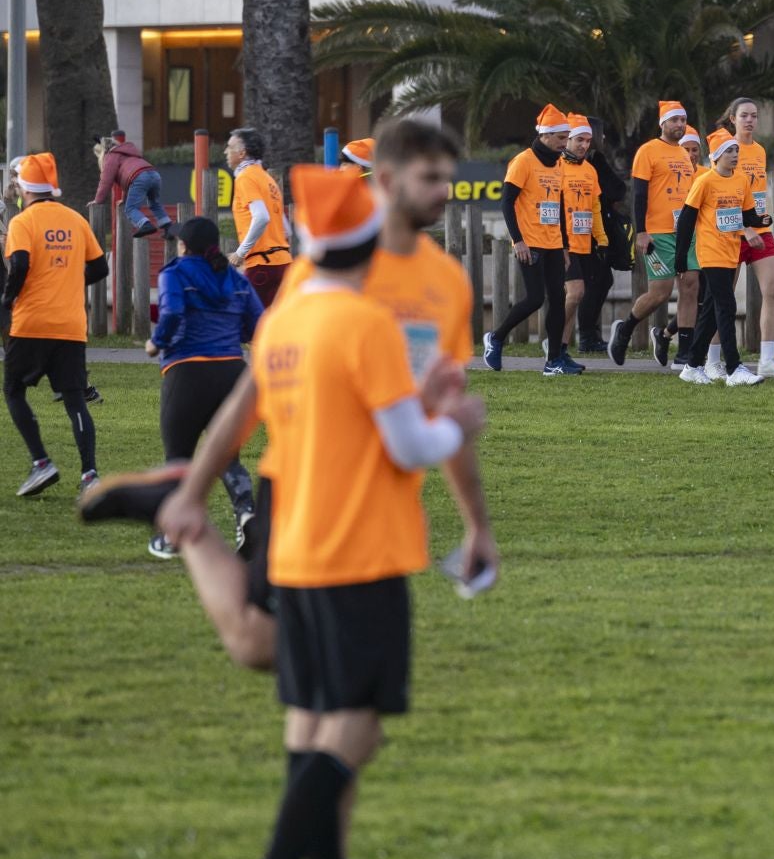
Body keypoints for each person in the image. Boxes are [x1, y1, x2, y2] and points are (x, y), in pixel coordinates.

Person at [90, 163, 489, 859]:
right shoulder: (365, 323)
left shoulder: (288, 320)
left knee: (308, 711)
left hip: (299, 535)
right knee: (358, 726)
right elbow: (407, 445)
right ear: (372, 242)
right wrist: (456, 422)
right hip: (359, 543)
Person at [82, 117, 496, 692]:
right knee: (309, 678)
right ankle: (181, 512)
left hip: (380, 503)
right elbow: (256, 388)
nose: (443, 192)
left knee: (280, 659)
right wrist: (198, 486)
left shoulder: (446, 282)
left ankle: (177, 512)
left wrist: (477, 524)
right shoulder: (323, 270)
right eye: (431, 177)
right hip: (305, 488)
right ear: (388, 179)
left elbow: (444, 405)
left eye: (448, 178)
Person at [143, 216, 264, 559]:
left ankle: (172, 535)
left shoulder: (174, 273)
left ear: (183, 245)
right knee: (225, 455)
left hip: (188, 372)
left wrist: (156, 343)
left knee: (178, 458)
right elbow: (259, 325)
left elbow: (172, 316)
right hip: (233, 374)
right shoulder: (235, 279)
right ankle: (247, 515)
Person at [6, 152, 108, 498]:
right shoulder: (76, 219)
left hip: (31, 322)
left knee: (14, 391)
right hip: (70, 325)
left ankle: (41, 463)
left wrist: (8, 299)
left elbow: (19, 264)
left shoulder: (23, 221)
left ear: (24, 187)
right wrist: (67, 280)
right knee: (75, 400)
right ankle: (90, 475)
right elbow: (99, 269)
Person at [483, 104, 577, 376]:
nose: (564, 144)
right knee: (535, 298)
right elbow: (506, 203)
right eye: (561, 138)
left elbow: (558, 206)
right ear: (546, 136)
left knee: (558, 298)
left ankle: (554, 360)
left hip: (553, 243)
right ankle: (496, 338)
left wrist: (565, 246)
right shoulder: (523, 161)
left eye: (566, 138)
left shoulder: (559, 164)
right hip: (530, 242)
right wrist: (518, 240)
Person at [609, 101, 701, 370]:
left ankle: (684, 353)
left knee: (691, 287)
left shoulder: (685, 156)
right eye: (674, 120)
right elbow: (639, 194)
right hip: (659, 232)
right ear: (662, 123)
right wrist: (642, 232)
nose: (680, 125)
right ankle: (625, 330)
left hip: (686, 232)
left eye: (683, 121)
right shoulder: (648, 151)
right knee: (660, 292)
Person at [674, 130, 770, 386]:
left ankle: (692, 365)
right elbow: (686, 220)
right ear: (716, 156)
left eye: (736, 151)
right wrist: (680, 258)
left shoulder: (741, 181)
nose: (735, 155)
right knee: (727, 306)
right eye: (729, 151)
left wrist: (761, 222)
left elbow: (748, 216)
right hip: (710, 253)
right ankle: (734, 368)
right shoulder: (705, 181)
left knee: (711, 314)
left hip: (730, 253)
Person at [721, 97, 774, 378]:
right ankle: (714, 360)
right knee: (724, 296)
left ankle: (767, 359)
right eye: (744, 116)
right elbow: (725, 196)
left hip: (760, 231)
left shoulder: (761, 151)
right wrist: (745, 228)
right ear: (733, 119)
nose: (750, 120)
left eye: (754, 116)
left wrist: (759, 222)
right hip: (731, 233)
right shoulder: (725, 150)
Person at [573, 117, 628, 355]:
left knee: (601, 281)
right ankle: (586, 337)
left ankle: (589, 335)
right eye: (601, 134)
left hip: (595, 228)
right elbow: (617, 189)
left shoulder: (590, 162)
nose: (603, 138)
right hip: (589, 231)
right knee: (594, 284)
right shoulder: (595, 160)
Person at [557, 113, 608, 358]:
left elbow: (595, 207)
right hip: (560, 243)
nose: (584, 145)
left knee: (576, 298)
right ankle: (555, 338)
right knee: (575, 293)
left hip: (584, 242)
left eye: (588, 141)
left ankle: (561, 349)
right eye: (579, 140)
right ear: (566, 139)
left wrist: (602, 238)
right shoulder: (555, 166)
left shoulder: (589, 170)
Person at [227, 127, 292, 306]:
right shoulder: (268, 179)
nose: (226, 152)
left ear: (242, 153)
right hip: (283, 263)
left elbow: (262, 217)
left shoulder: (245, 178)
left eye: (229, 147)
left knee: (249, 324)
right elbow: (286, 229)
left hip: (262, 265)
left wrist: (241, 253)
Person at [94, 129, 173, 237]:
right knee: (154, 203)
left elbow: (106, 181)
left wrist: (98, 200)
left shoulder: (110, 156)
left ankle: (145, 224)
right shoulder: (129, 153)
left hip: (139, 177)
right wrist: (125, 199)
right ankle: (167, 228)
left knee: (130, 209)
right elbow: (129, 181)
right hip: (154, 175)